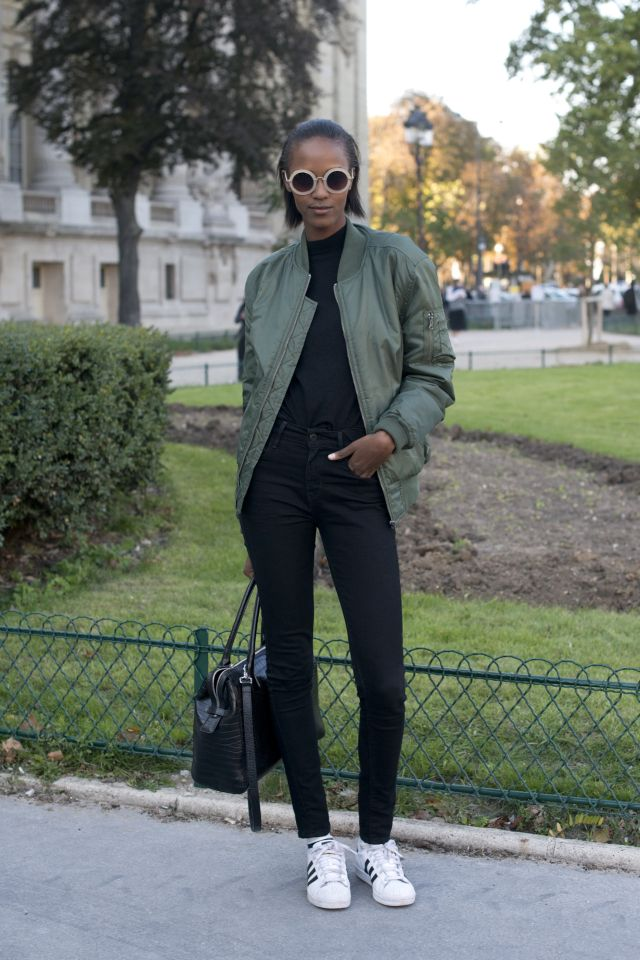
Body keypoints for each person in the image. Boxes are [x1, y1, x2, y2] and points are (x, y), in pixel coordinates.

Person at [236, 118, 455, 911]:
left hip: (360, 474)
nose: (321, 193)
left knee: (382, 677)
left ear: (355, 179)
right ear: (286, 185)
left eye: (335, 178)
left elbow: (434, 370)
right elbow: (253, 397)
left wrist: (390, 436)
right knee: (290, 667)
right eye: (305, 180)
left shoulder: (396, 262)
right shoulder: (265, 280)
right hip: (278, 483)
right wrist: (251, 522)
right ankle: (318, 844)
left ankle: (377, 842)